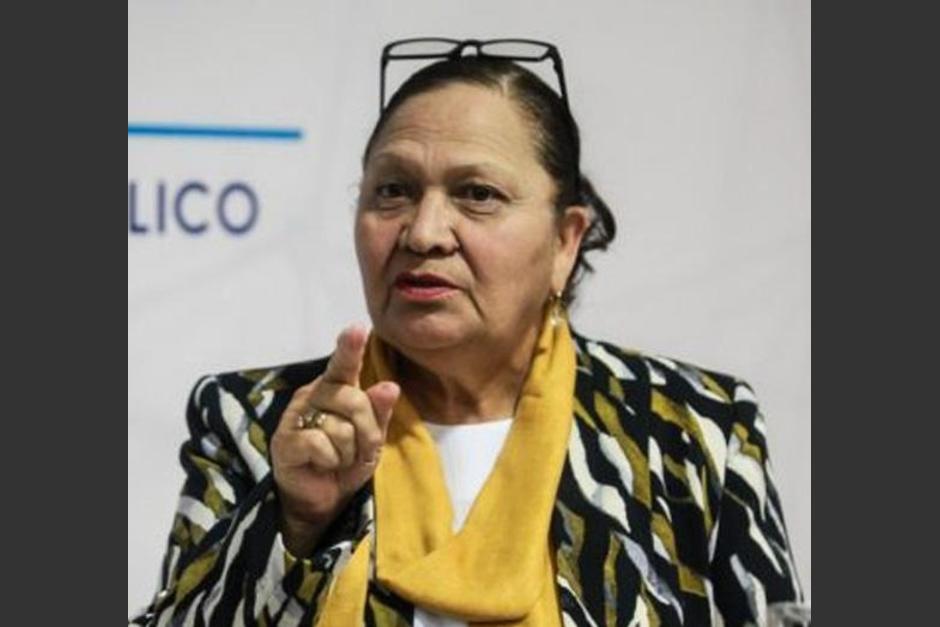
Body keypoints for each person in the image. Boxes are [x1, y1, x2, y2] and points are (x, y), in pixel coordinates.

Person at [131, 38, 809, 626]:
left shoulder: (689, 430)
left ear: (566, 241)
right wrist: (295, 522)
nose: (423, 232)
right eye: (392, 191)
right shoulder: (261, 422)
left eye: (477, 194)